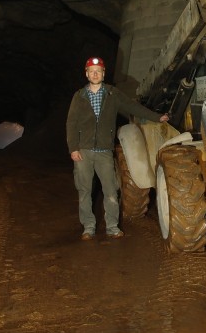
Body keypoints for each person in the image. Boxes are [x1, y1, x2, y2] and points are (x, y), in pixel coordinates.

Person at [66, 56, 169, 240]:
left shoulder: (113, 94)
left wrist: (156, 117)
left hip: (104, 151)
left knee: (111, 191)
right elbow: (71, 123)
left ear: (103, 73)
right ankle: (88, 227)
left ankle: (112, 227)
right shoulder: (79, 96)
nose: (95, 74)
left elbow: (132, 107)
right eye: (92, 71)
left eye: (98, 71)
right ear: (87, 74)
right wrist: (73, 148)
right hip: (84, 151)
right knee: (84, 191)